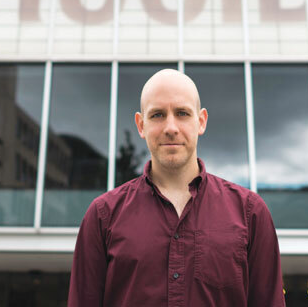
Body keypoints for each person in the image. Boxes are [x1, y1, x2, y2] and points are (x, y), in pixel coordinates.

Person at [68, 68, 285, 306]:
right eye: (158, 115)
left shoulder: (251, 214)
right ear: (140, 125)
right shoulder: (102, 217)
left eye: (182, 113)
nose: (171, 127)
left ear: (201, 121)